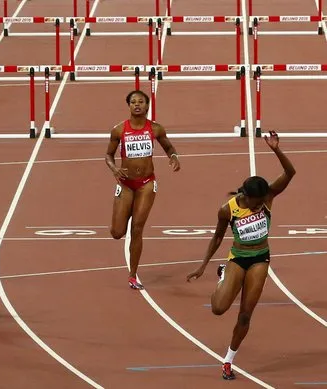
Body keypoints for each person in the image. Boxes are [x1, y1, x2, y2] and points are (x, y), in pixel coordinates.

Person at [186, 131, 295, 380]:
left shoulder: (267, 196)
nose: (259, 207)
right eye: (255, 203)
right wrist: (203, 266)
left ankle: (228, 360)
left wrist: (276, 149)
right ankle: (223, 275)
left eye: (261, 204)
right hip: (238, 258)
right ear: (245, 196)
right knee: (218, 308)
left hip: (260, 259)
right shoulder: (228, 210)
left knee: (245, 314)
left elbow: (290, 174)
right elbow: (216, 237)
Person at [105, 90, 181, 290]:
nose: (137, 105)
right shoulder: (119, 130)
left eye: (140, 102)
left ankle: (132, 275)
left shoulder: (155, 129)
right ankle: (126, 209)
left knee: (137, 228)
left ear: (147, 106)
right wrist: (114, 169)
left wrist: (174, 157)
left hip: (147, 183)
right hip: (126, 184)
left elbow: (169, 148)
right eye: (133, 102)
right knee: (117, 232)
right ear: (128, 106)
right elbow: (108, 155)